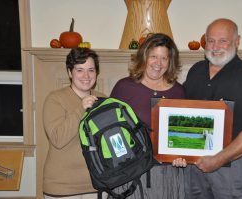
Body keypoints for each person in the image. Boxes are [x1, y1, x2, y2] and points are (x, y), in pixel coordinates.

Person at [179, 18, 242, 198]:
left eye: (223, 40)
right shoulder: (196, 71)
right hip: (194, 166)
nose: (216, 46)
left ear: (237, 42)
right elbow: (183, 111)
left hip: (234, 168)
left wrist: (218, 160)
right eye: (211, 40)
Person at [110, 33, 186, 198]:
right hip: (130, 172)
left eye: (164, 58)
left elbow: (181, 132)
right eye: (153, 57)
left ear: (170, 62)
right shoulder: (124, 87)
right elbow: (111, 130)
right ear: (144, 57)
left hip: (166, 174)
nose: (158, 64)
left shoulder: (179, 91)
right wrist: (122, 159)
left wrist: (181, 155)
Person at [43, 48, 108, 199]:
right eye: (80, 70)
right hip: (62, 187)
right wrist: (81, 108)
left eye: (91, 70)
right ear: (69, 72)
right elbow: (58, 139)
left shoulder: (103, 98)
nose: (86, 76)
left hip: (97, 183)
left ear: (96, 73)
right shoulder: (55, 99)